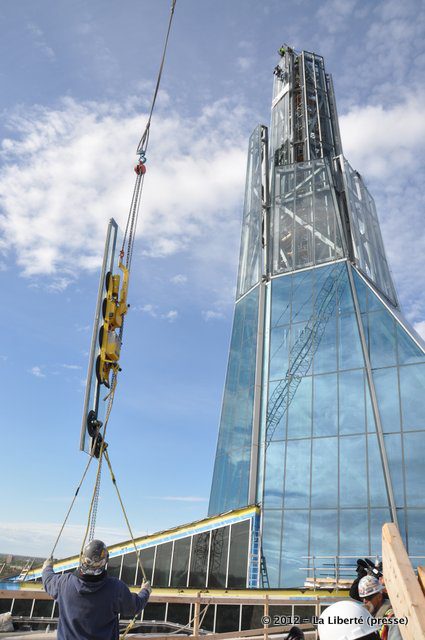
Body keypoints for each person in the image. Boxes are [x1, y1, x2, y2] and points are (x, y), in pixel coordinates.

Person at [42, 539, 151, 640]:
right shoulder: (115, 588)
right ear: (105, 561)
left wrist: (47, 566)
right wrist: (145, 591)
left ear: (83, 558)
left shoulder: (64, 583)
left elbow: (48, 580)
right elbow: (134, 606)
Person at [358, 575, 402, 640]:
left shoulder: (393, 618)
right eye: (362, 598)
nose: (364, 601)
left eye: (368, 598)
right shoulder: (364, 614)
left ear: (379, 597)